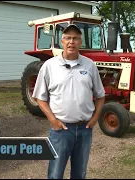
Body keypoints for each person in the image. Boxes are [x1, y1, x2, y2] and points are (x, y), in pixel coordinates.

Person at [32, 24, 105, 179]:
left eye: (76, 38)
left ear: (81, 42)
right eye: (68, 38)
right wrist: (53, 120)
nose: (72, 42)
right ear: (62, 41)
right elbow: (40, 97)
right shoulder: (49, 66)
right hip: (61, 131)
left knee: (79, 174)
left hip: (85, 130)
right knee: (55, 174)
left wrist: (95, 119)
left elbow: (100, 95)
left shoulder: (90, 65)